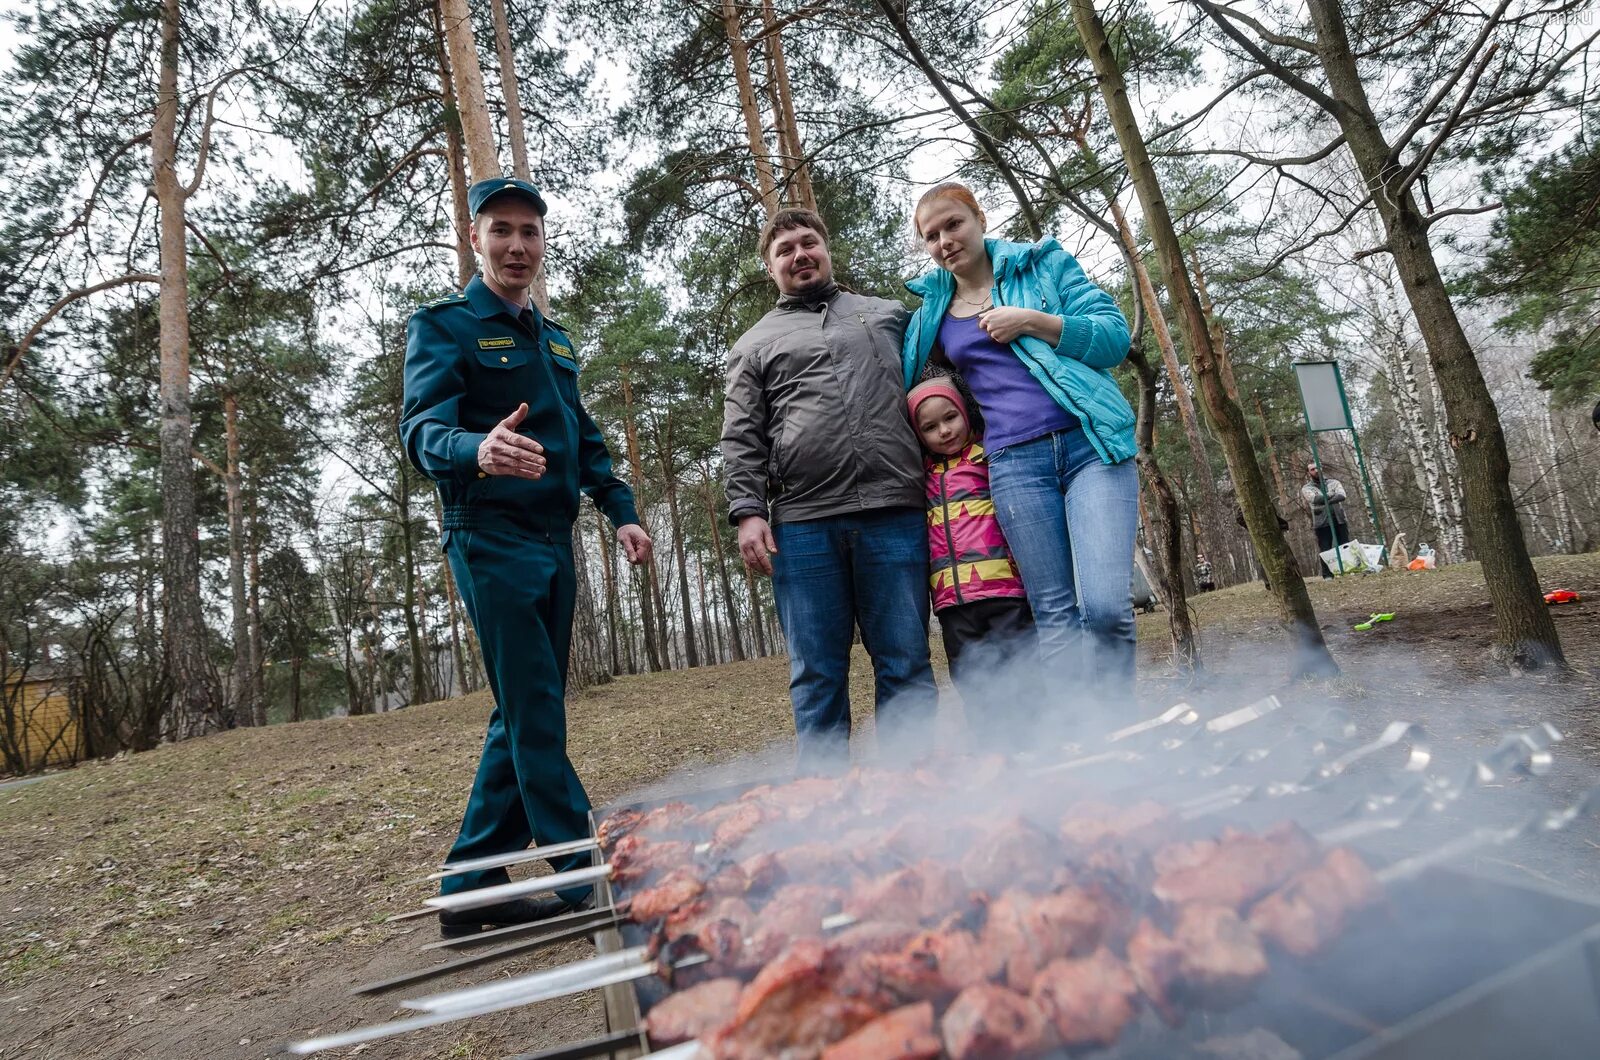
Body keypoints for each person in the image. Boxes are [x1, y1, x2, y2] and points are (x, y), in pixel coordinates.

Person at [399, 177, 654, 936]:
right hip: (490, 538)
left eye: (530, 233)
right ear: (474, 239)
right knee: (536, 705)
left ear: (543, 244)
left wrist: (621, 511)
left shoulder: (553, 335)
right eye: (501, 230)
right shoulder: (444, 326)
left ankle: (469, 886)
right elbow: (420, 432)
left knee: (521, 712)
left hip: (555, 542)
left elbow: (584, 435)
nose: (517, 246)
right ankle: (587, 876)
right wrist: (478, 447)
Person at [902, 182, 1139, 704]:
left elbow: (1114, 338)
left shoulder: (1045, 265)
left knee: (1103, 606)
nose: (945, 240)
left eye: (953, 224)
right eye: (931, 235)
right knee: (1053, 613)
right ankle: (1086, 737)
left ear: (979, 219)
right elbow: (911, 388)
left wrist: (1033, 321)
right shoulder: (931, 316)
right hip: (1012, 466)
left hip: (1089, 448)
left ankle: (1124, 727)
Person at [721, 207, 938, 769]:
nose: (799, 254)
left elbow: (939, 385)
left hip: (895, 512)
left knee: (906, 661)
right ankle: (824, 813)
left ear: (825, 248)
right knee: (816, 672)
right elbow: (741, 434)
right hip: (804, 524)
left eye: (807, 242)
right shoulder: (754, 344)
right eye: (784, 249)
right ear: (771, 268)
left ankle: (917, 802)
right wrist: (748, 511)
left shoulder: (887, 315)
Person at [908, 371, 1036, 741]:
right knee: (970, 678)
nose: (944, 431)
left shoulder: (990, 458)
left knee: (1023, 671)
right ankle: (991, 748)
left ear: (966, 412)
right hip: (952, 604)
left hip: (1005, 594)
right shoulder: (923, 476)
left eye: (951, 418)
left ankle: (1037, 743)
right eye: (931, 427)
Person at [1300, 462, 1349, 578]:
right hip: (1321, 522)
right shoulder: (1307, 488)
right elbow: (1314, 499)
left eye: (1318, 468)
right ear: (1308, 473)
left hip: (1339, 519)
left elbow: (1342, 495)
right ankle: (1327, 575)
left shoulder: (1334, 482)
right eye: (1312, 469)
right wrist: (1332, 495)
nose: (1316, 470)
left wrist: (1326, 500)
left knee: (1345, 546)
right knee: (1325, 549)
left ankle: (1348, 570)